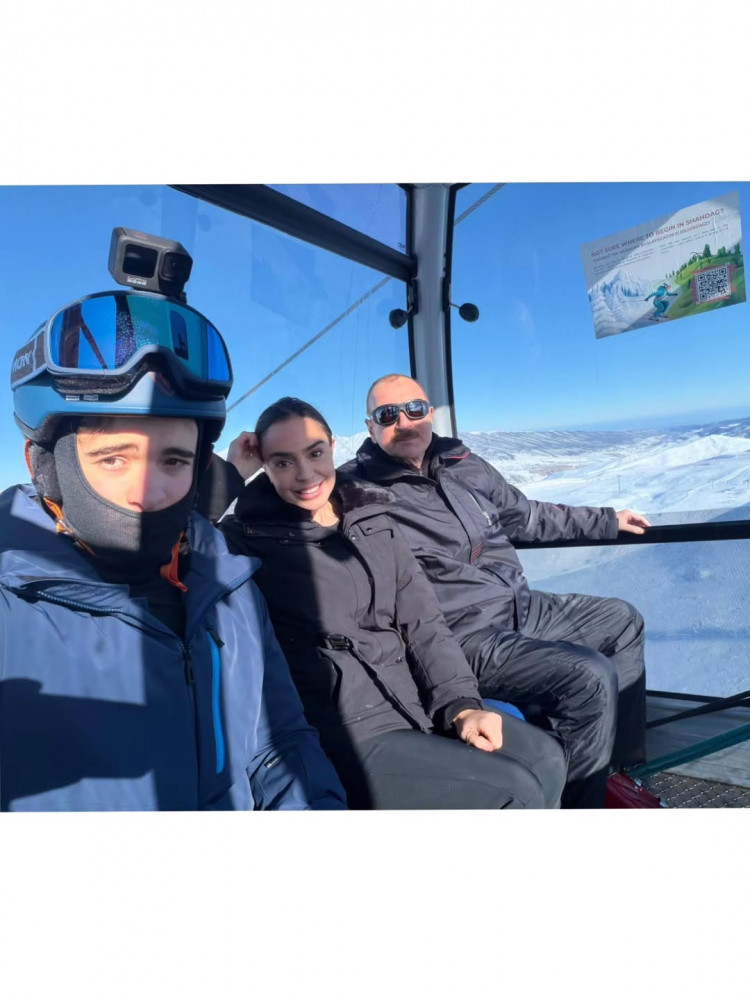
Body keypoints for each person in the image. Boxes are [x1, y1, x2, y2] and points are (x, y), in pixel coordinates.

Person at [0, 289, 346, 811]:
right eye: (114, 459)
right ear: (45, 467)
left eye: (174, 461)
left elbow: (279, 744)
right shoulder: (13, 603)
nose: (148, 493)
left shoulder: (227, 582)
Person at [218, 397, 567, 809]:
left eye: (315, 453)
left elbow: (423, 621)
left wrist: (460, 704)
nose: (305, 474)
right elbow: (170, 548)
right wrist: (230, 475)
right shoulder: (247, 540)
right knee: (512, 788)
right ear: (264, 466)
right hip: (346, 724)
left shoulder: (371, 517)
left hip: (415, 699)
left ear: (333, 446)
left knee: (546, 757)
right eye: (282, 462)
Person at [336, 374, 651, 809]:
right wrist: (241, 475)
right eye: (388, 415)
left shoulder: (462, 462)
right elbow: (293, 509)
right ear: (370, 427)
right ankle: (581, 806)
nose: (404, 422)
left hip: (518, 606)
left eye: (414, 409)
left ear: (430, 413)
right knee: (587, 674)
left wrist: (607, 520)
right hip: (462, 635)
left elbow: (527, 516)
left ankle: (614, 771)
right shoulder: (354, 490)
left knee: (622, 621)